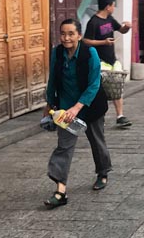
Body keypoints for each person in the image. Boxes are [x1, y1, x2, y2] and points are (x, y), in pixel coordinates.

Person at [44, 19, 111, 209]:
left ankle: (103, 172)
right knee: (64, 146)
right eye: (63, 34)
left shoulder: (90, 53)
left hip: (90, 105)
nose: (66, 38)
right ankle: (60, 190)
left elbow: (94, 84)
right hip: (66, 108)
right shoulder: (57, 53)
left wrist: (78, 107)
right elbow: (53, 80)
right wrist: (50, 103)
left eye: (71, 33)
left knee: (96, 141)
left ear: (79, 35)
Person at [83, 0, 132, 128]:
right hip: (99, 60)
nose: (114, 7)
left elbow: (121, 30)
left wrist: (127, 27)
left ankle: (120, 116)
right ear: (107, 6)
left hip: (112, 59)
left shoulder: (110, 19)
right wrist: (103, 42)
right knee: (100, 89)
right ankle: (96, 115)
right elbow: (86, 41)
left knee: (117, 86)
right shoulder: (94, 22)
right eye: (113, 5)